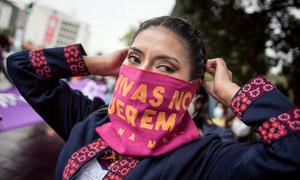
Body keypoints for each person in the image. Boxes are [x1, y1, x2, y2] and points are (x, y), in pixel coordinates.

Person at [6, 16, 300, 180]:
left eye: (164, 67)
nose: (142, 73)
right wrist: (97, 63)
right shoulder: (92, 120)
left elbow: (293, 152)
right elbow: (20, 68)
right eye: (135, 58)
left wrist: (232, 93)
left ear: (191, 85)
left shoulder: (204, 160)